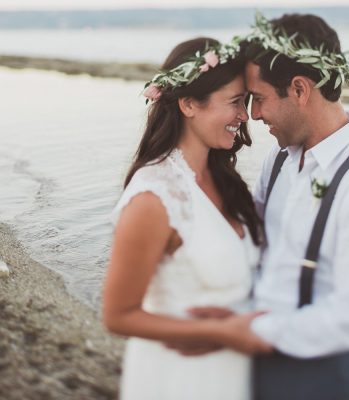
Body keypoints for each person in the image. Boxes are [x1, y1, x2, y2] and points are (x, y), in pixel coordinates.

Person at [185, 13, 349, 400]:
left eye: (260, 98)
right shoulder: (280, 159)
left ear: (300, 89)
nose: (253, 115)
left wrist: (247, 332)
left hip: (324, 378)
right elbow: (254, 245)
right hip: (256, 358)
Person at [103, 37, 267, 400]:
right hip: (177, 379)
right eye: (236, 102)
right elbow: (118, 315)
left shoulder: (226, 182)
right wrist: (222, 333)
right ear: (190, 104)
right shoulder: (153, 197)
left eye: (248, 102)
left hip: (230, 374)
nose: (245, 115)